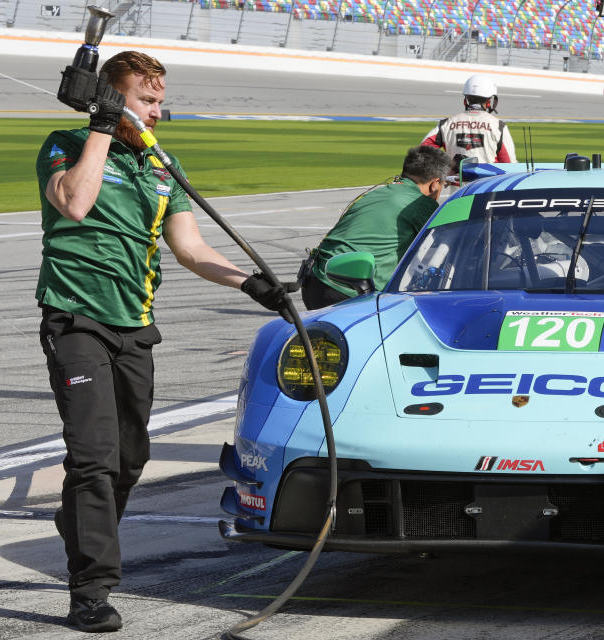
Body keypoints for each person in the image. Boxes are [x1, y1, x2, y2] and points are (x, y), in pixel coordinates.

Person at [38, 51, 290, 632]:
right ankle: (91, 590)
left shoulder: (160, 162)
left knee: (130, 460)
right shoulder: (67, 142)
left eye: (158, 99)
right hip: (75, 319)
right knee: (94, 460)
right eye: (145, 100)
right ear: (110, 96)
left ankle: (78, 521)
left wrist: (252, 283)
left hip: (134, 324)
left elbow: (192, 249)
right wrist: (102, 126)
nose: (157, 110)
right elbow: (74, 202)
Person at [300, 145, 452, 309]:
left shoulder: (379, 192)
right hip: (349, 291)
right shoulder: (421, 203)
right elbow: (451, 245)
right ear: (435, 184)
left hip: (315, 281)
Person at [421, 74, 517, 168]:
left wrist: (446, 168)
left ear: (465, 100)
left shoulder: (446, 124)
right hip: (485, 183)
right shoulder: (498, 126)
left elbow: (422, 152)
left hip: (454, 183)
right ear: (488, 103)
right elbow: (509, 165)